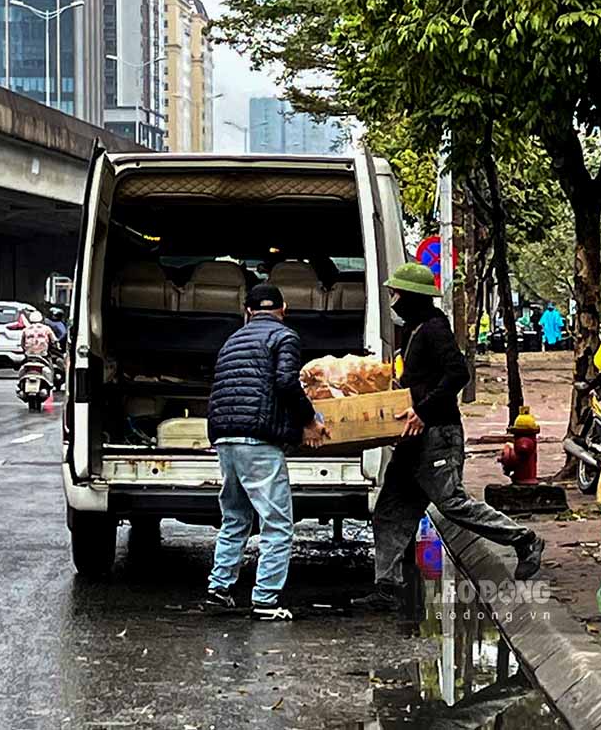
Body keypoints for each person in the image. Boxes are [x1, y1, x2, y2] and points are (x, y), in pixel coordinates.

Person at [353, 263, 544, 611]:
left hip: (437, 434)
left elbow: (458, 373)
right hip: (413, 437)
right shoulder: (414, 329)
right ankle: (387, 586)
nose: (393, 300)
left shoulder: (435, 329)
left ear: (412, 297)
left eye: (397, 294)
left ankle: (524, 539)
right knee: (390, 510)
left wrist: (422, 411)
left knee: (452, 502)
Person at [204, 284, 327, 622]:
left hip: (225, 438)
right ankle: (266, 600)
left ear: (247, 311)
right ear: (283, 308)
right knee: (277, 524)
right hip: (258, 440)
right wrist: (309, 421)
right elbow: (287, 382)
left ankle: (219, 589)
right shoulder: (284, 337)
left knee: (235, 518)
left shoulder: (233, 340)